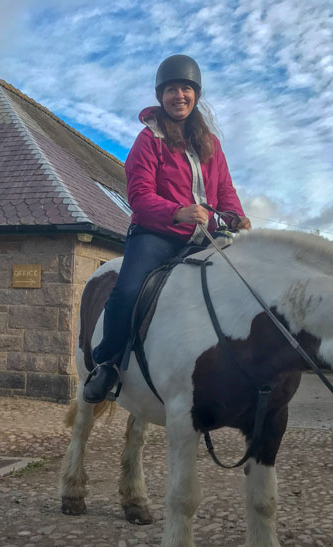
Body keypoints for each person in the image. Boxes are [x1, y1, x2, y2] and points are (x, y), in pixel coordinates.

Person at [83, 54, 251, 403]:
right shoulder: (149, 140)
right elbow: (140, 196)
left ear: (196, 95)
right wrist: (179, 213)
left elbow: (225, 192)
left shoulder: (211, 145)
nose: (179, 96)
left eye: (186, 89)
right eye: (172, 89)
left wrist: (235, 216)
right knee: (127, 291)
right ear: (161, 95)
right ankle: (107, 364)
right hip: (155, 235)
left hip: (203, 238)